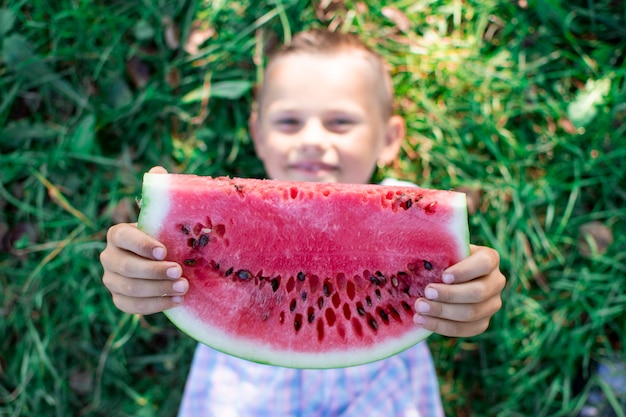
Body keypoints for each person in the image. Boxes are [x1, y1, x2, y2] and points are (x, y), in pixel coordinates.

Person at [100, 29, 506, 416]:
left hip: (380, 390)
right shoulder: (210, 223)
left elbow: (459, 266)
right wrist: (137, 269)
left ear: (389, 137)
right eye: (289, 123)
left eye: (340, 122)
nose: (312, 138)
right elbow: (158, 259)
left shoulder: (407, 206)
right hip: (242, 388)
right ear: (258, 135)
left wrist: (473, 289)